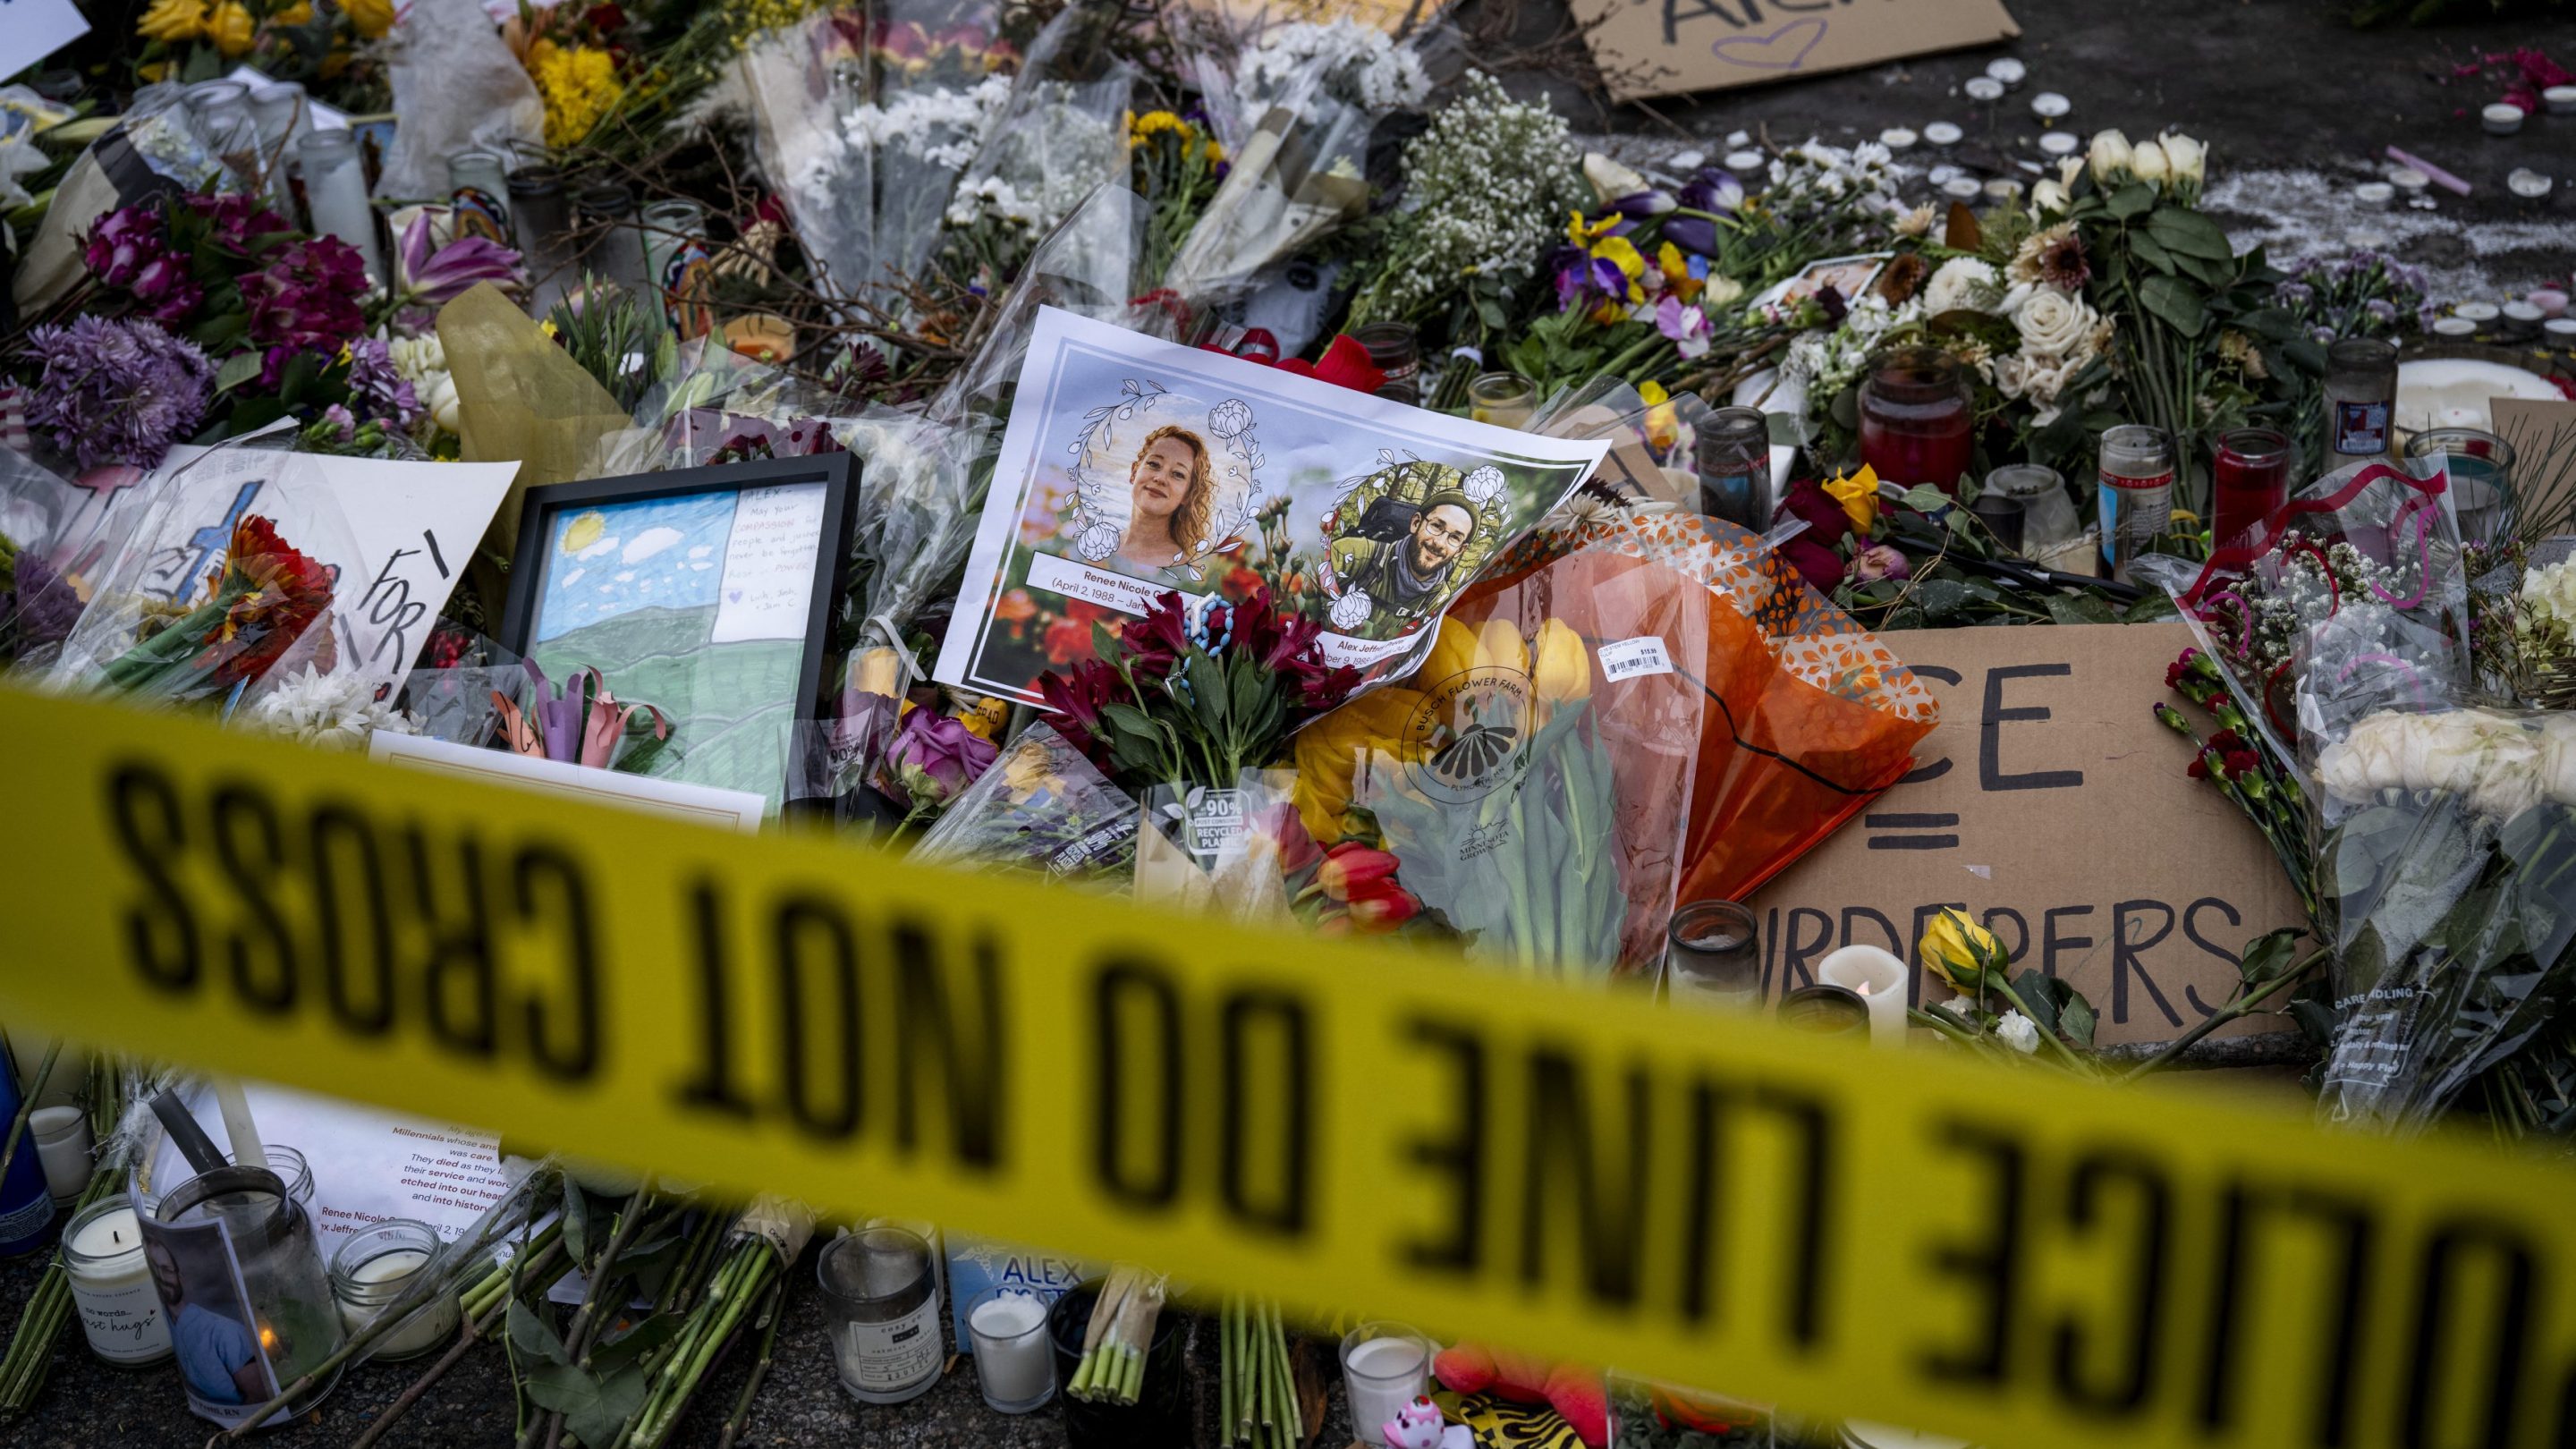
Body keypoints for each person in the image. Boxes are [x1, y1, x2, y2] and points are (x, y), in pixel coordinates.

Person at [1326, 489, 1480, 634]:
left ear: (1460, 550)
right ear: (1416, 523)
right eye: (1436, 526)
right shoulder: (1353, 553)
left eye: (1455, 537)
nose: (1440, 543)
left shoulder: (1440, 598)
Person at [148, 1237, 267, 1407]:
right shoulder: (164, 1326)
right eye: (155, 1269)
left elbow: (259, 1395)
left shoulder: (223, 1331)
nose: (161, 1277)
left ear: (180, 1278)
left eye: (166, 1269)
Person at [1113, 425, 1214, 576]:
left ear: (1188, 494)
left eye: (1178, 474)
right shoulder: (1100, 542)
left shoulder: (1185, 569)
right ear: (1134, 472)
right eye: (1154, 464)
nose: (1160, 479)